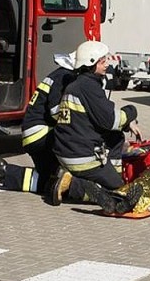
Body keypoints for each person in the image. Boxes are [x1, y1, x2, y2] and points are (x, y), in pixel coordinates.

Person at [51, 40, 143, 213]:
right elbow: (111, 120)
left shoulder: (78, 85)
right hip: (82, 158)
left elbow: (101, 118)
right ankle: (73, 185)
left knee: (116, 137)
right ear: (91, 64)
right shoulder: (89, 87)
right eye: (102, 61)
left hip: (66, 152)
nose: (107, 64)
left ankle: (94, 183)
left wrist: (125, 124)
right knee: (120, 189)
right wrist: (132, 111)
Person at [0, 52, 76, 194]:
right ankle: (4, 172)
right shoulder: (63, 77)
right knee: (59, 182)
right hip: (41, 134)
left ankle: (5, 172)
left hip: (35, 134)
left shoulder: (59, 74)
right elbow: (56, 111)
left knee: (51, 180)